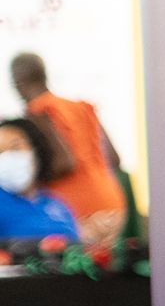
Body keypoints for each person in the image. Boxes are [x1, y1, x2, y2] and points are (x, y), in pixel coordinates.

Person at [8, 52, 127, 245]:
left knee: (73, 272)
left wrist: (30, 182)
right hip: (112, 203)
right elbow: (114, 159)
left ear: (18, 81)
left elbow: (65, 162)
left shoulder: (38, 111)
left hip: (78, 211)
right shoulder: (81, 107)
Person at [0, 116, 82, 240]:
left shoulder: (56, 203)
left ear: (36, 151)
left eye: (15, 148)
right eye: (0, 152)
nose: (7, 157)